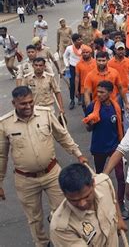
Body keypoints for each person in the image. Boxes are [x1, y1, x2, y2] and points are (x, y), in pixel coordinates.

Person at [0, 86, 87, 247]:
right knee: (34, 219)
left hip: (52, 173)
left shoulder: (45, 114)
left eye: (30, 102)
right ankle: (42, 243)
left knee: (63, 211)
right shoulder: (5, 124)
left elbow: (62, 135)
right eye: (23, 104)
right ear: (14, 103)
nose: (28, 106)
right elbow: (2, 155)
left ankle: (63, 241)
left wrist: (78, 154)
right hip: (25, 180)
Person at [83, 80, 129, 220]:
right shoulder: (92, 106)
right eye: (98, 92)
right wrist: (91, 123)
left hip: (115, 147)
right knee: (99, 178)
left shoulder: (116, 106)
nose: (99, 95)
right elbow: (88, 128)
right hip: (99, 147)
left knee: (121, 178)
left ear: (110, 93)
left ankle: (121, 204)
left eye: (102, 92)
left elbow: (119, 125)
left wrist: (122, 142)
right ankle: (100, 202)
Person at [49, 163, 127, 246]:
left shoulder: (104, 183)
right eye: (75, 200)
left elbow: (112, 198)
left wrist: (119, 218)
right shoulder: (61, 228)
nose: (82, 204)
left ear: (93, 183)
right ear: (64, 195)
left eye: (86, 196)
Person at [63, 33, 84, 109]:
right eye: (79, 40)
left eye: (81, 39)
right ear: (74, 41)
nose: (81, 41)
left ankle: (80, 98)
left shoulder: (83, 48)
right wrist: (66, 65)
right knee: (72, 84)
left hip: (82, 68)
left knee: (81, 83)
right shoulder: (69, 48)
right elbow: (65, 56)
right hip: (72, 68)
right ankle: (72, 100)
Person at [74, 45, 95, 109]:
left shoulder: (95, 62)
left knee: (95, 105)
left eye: (87, 52)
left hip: (94, 88)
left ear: (90, 53)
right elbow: (77, 77)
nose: (85, 54)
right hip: (84, 89)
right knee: (85, 106)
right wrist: (76, 89)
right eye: (83, 53)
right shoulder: (78, 64)